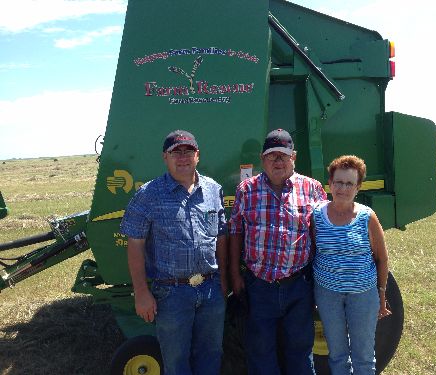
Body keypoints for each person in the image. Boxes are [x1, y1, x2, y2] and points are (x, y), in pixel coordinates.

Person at [120, 130, 227, 375]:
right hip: (171, 293)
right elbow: (135, 245)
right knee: (176, 362)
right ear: (164, 158)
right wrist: (141, 293)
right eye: (175, 152)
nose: (182, 157)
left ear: (197, 155)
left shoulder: (213, 190)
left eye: (188, 151)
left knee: (211, 356)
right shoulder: (148, 194)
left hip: (211, 290)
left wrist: (223, 281)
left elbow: (221, 238)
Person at [229, 128, 327, 375]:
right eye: (272, 156)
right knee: (260, 351)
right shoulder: (246, 190)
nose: (278, 161)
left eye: (284, 155)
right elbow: (235, 233)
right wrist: (235, 273)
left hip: (299, 284)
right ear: (263, 159)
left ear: (294, 157)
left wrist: (318, 277)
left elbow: (320, 235)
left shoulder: (312, 188)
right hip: (259, 285)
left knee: (300, 350)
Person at [312, 155, 391, 375]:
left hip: (363, 296)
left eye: (349, 183)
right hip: (328, 296)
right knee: (337, 355)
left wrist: (381, 295)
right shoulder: (317, 215)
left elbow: (382, 259)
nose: (342, 188)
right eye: (338, 182)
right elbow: (312, 254)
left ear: (358, 187)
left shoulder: (367, 217)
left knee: (364, 357)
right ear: (330, 183)